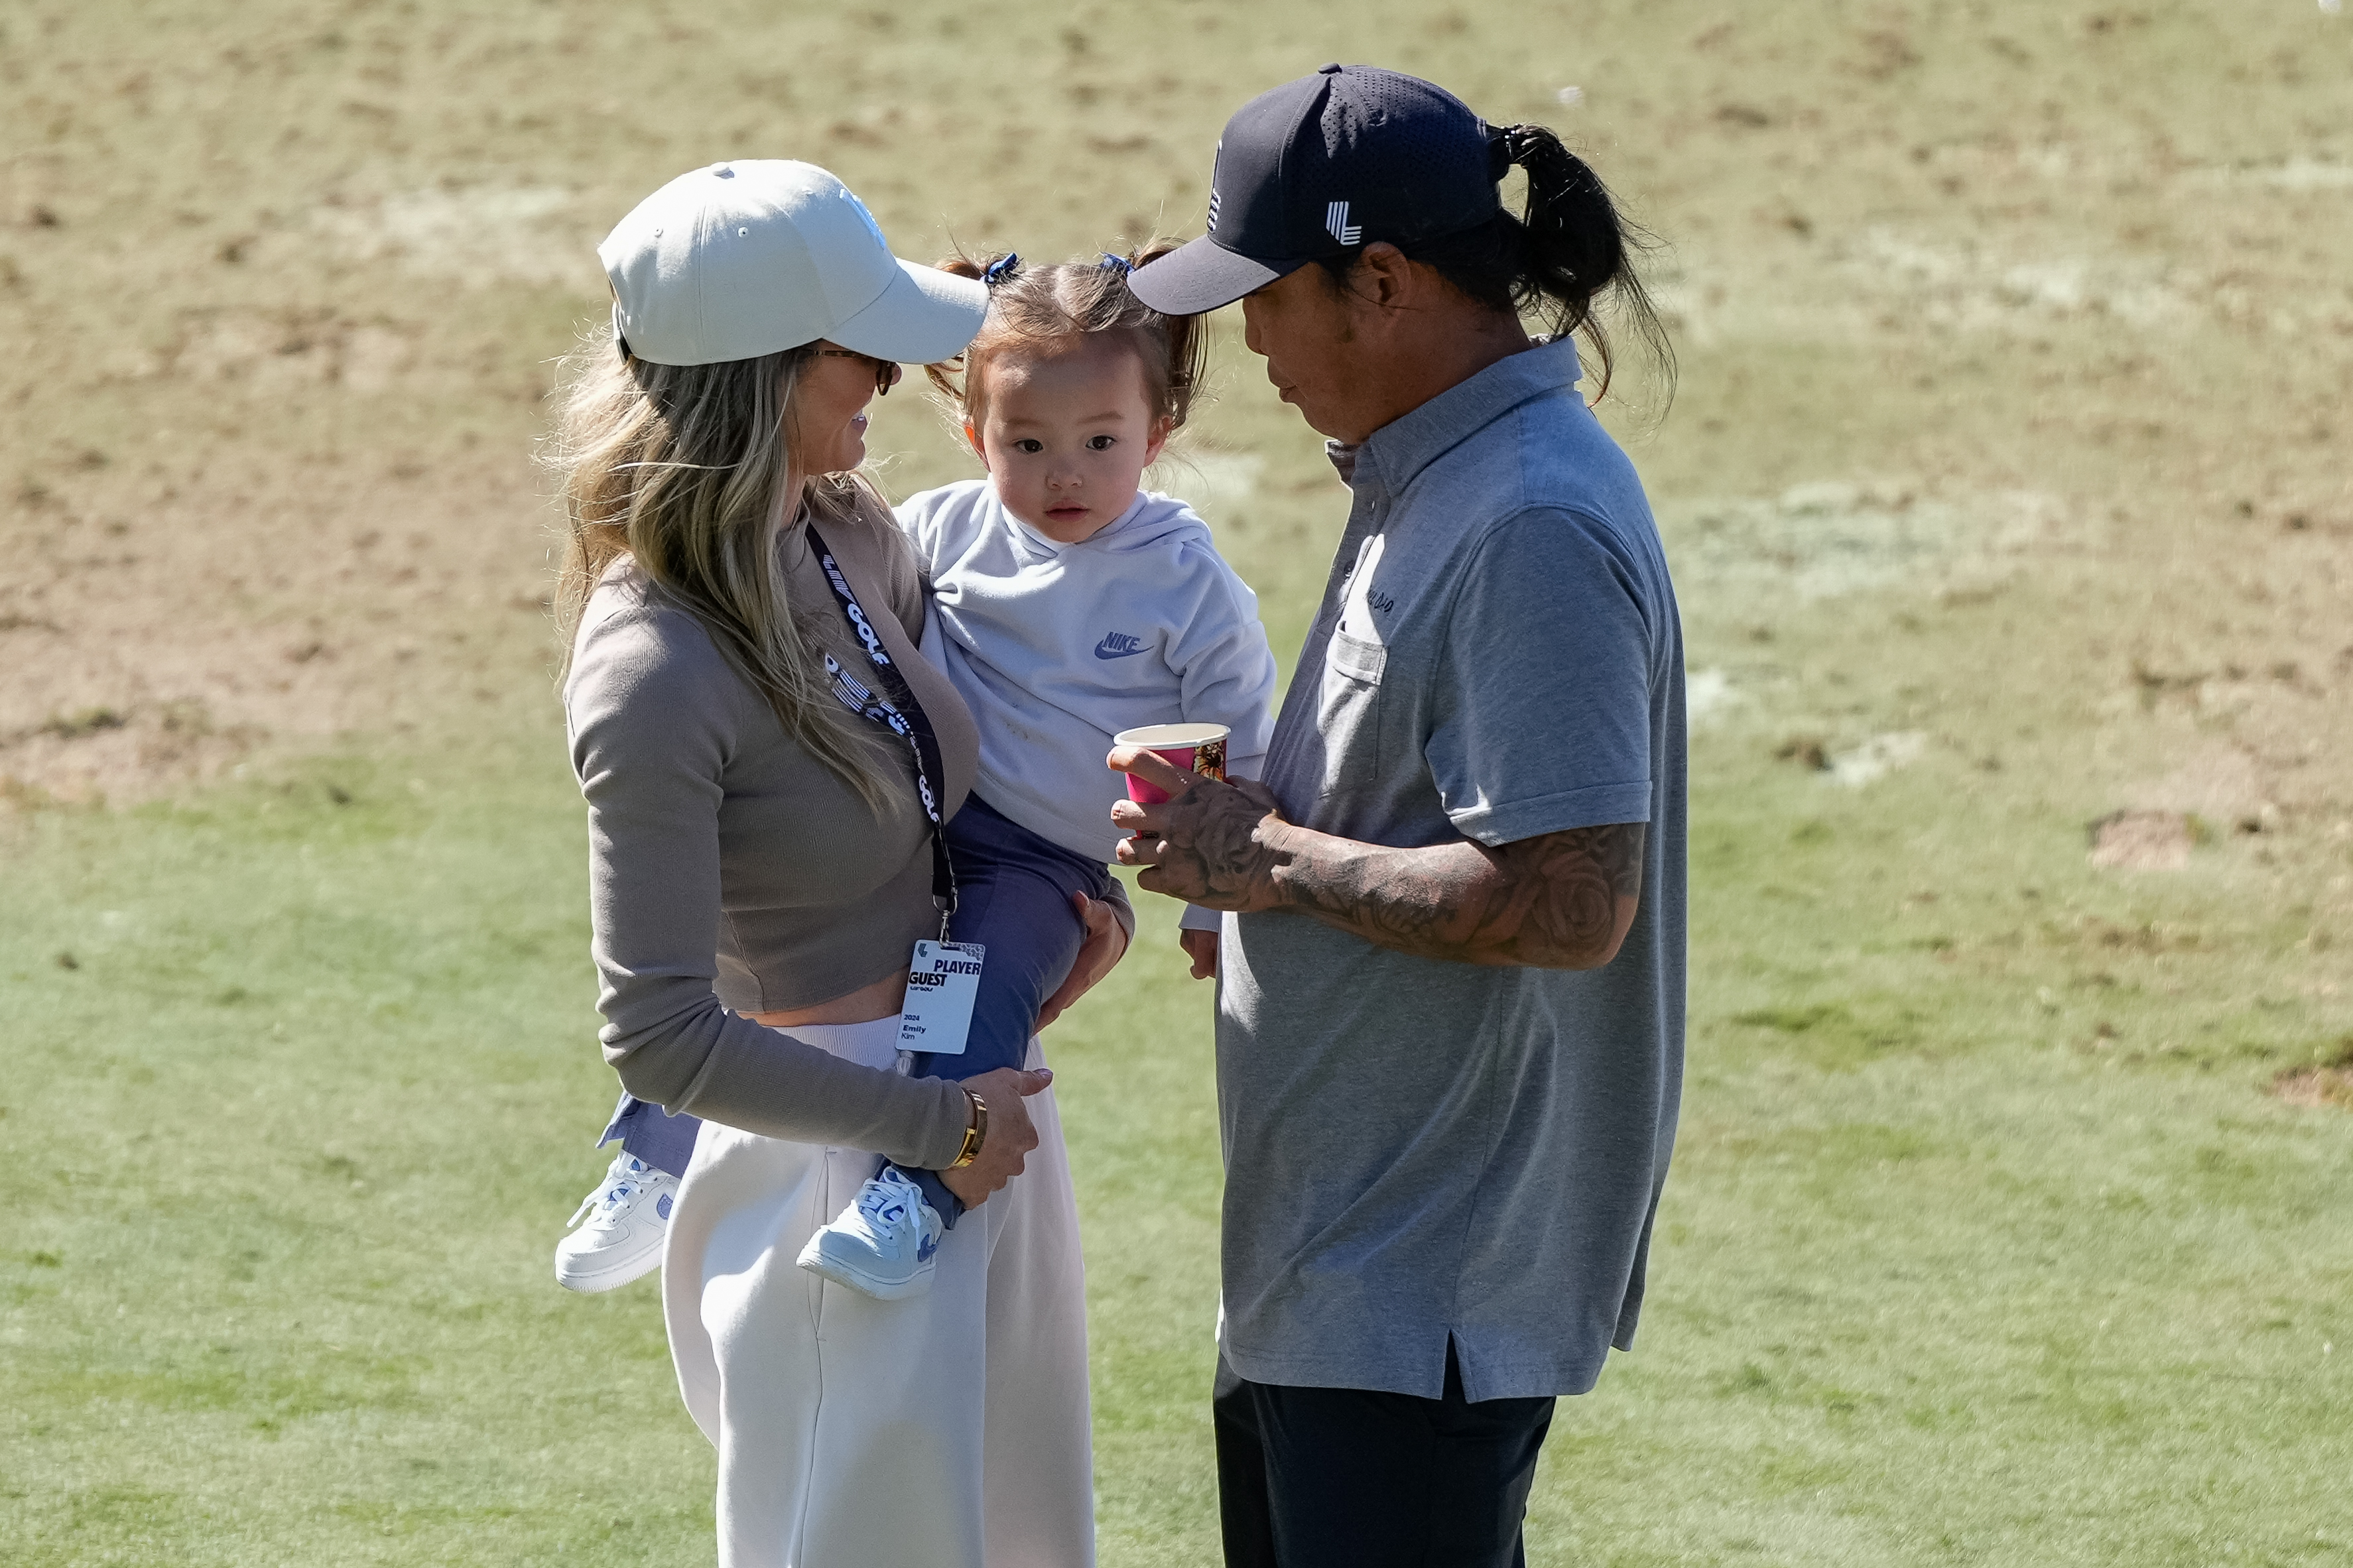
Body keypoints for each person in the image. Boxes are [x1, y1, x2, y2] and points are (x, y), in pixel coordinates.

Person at [1114, 66, 1687, 1568]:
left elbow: (1570, 903)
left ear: (1379, 281)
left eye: (1264, 295)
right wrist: (1262, 872)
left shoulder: (1526, 523)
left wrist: (1271, 859)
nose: (1244, 339)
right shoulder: (1434, 478)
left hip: (1418, 1302)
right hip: (1337, 1282)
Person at [553, 159, 1115, 1567]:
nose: (893, 369)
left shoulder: (851, 528)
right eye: (859, 344)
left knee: (1022, 1539)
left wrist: (1035, 965)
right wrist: (939, 1134)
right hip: (836, 1171)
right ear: (765, 372)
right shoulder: (651, 664)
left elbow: (931, 836)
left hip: (968, 1110)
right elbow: (662, 1037)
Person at [796, 245, 1279, 1297]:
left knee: (963, 996)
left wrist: (1216, 905)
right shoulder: (935, 530)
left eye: (1101, 441)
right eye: (1027, 442)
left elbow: (1240, 727)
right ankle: (656, 1145)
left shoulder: (1181, 572)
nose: (1065, 472)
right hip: (916, 830)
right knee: (762, 922)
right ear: (975, 437)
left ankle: (917, 1198)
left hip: (1042, 865)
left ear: (1155, 436)